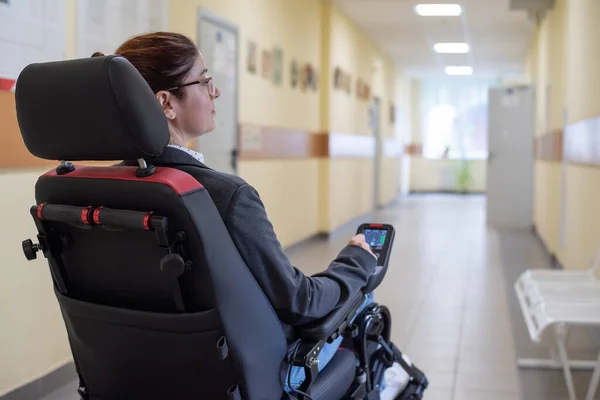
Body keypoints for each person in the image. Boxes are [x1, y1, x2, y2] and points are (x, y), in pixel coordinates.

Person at [94, 31, 393, 395]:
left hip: (134, 375)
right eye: (204, 81)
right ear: (166, 103)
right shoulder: (223, 196)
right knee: (364, 304)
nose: (214, 92)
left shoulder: (87, 192)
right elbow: (301, 302)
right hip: (238, 380)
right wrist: (356, 262)